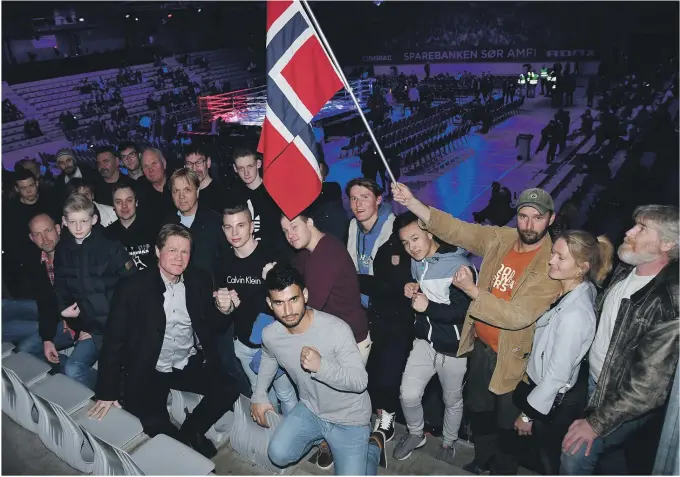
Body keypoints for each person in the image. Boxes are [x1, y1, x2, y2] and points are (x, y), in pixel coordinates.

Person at [391, 182, 562, 475]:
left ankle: (502, 470)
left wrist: (472, 291)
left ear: (551, 219)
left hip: (511, 357)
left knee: (506, 424)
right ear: (516, 215)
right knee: (480, 412)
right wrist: (413, 203)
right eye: (524, 216)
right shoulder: (503, 238)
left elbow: (517, 316)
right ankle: (480, 461)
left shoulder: (550, 265)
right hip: (481, 346)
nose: (530, 224)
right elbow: (458, 230)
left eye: (538, 217)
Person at [91, 224, 240, 459]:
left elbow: (212, 326)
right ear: (157, 251)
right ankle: (183, 447)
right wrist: (107, 391)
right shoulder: (132, 287)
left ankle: (193, 429)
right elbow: (113, 341)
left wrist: (224, 309)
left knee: (230, 387)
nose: (179, 258)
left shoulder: (199, 279)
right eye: (172, 250)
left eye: (185, 252)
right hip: (149, 370)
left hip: (185, 362)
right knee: (157, 428)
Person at [560, 205, 679, 475]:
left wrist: (595, 424)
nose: (629, 231)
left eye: (642, 228)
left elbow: (648, 389)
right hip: (593, 380)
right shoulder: (627, 270)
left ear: (667, 243)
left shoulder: (669, 301)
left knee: (575, 454)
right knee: (610, 461)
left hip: (618, 398)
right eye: (634, 224)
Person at [250, 264, 386, 475]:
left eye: (293, 300)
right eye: (279, 303)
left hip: (350, 419)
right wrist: (259, 395)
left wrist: (321, 366)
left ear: (304, 295)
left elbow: (360, 381)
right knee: (277, 454)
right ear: (270, 303)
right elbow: (269, 355)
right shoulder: (271, 334)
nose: (287, 311)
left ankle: (372, 448)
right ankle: (325, 441)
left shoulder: (336, 329)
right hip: (311, 410)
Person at [511, 230, 614, 474]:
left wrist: (527, 416)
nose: (551, 260)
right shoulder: (575, 289)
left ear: (581, 268)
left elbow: (556, 376)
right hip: (553, 396)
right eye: (553, 253)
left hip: (555, 404)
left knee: (550, 460)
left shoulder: (575, 315)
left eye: (560, 257)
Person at [278, 210, 371, 469]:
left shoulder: (325, 254)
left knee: (342, 402)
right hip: (330, 339)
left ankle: (366, 447)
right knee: (325, 396)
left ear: (310, 221)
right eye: (285, 231)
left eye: (294, 227)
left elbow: (310, 306)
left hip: (349, 343)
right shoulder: (312, 249)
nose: (290, 235)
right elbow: (296, 270)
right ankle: (329, 439)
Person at [393, 212, 473, 465]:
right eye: (405, 243)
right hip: (425, 343)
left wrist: (426, 306)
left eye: (415, 239)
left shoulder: (458, 266)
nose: (411, 247)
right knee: (408, 394)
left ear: (430, 233)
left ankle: (449, 442)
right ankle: (416, 433)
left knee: (451, 400)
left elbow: (463, 312)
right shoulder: (418, 261)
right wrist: (412, 286)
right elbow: (426, 288)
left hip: (453, 348)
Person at [37, 194, 132, 389]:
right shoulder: (63, 249)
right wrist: (63, 308)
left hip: (119, 326)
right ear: (64, 222)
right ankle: (105, 395)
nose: (78, 227)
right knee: (73, 369)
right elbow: (60, 284)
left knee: (125, 371)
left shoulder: (111, 246)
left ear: (94, 219)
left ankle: (119, 394)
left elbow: (132, 285)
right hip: (91, 329)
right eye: (72, 222)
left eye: (83, 221)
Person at [214, 203, 297, 412]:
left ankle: (297, 442)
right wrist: (224, 306)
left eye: (240, 225)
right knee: (260, 394)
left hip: (272, 344)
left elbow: (295, 304)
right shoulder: (222, 262)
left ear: (252, 227)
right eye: (228, 227)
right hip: (242, 344)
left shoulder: (272, 256)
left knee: (285, 393)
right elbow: (223, 313)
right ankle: (272, 439)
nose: (234, 233)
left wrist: (274, 281)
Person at [359, 213, 414, 443]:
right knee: (376, 374)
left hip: (401, 326)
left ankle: (387, 419)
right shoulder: (388, 249)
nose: (410, 245)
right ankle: (382, 414)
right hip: (381, 321)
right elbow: (382, 284)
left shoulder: (426, 255)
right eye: (405, 239)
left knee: (389, 377)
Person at [4, 214, 60, 345]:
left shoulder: (71, 254)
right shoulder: (39, 259)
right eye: (38, 234)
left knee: (16, 339)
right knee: (5, 306)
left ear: (58, 229)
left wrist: (47, 334)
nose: (44, 238)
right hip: (49, 309)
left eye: (48, 230)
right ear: (32, 238)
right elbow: (44, 300)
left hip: (64, 320)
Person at [162, 168, 224, 276]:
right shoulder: (167, 225)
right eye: (176, 191)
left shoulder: (215, 222)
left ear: (197, 191)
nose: (181, 196)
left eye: (187, 190)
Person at [230, 148, 289, 255]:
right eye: (241, 168)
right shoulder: (234, 196)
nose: (246, 173)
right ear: (235, 168)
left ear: (258, 163)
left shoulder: (275, 192)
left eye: (250, 166)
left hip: (276, 253)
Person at [104, 184, 157, 271]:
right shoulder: (107, 235)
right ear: (113, 206)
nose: (124, 206)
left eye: (129, 200)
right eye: (118, 202)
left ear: (136, 202)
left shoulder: (153, 230)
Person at [184, 144, 230, 215]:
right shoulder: (183, 194)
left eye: (199, 163)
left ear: (208, 162)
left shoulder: (223, 194)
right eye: (189, 164)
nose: (194, 169)